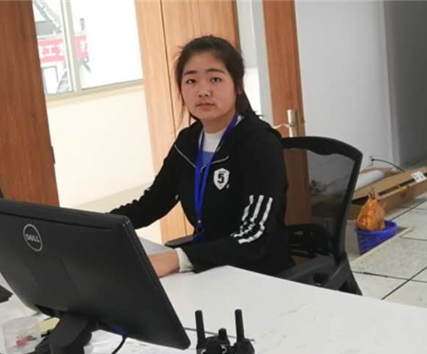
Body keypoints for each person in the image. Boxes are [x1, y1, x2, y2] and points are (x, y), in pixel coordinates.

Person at [112, 35, 292, 278]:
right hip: (207, 270)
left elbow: (255, 237)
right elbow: (150, 205)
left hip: (260, 275)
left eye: (215, 79)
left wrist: (178, 258)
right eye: (191, 81)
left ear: (238, 86)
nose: (203, 91)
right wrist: (93, 227)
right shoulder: (188, 142)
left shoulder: (259, 144)